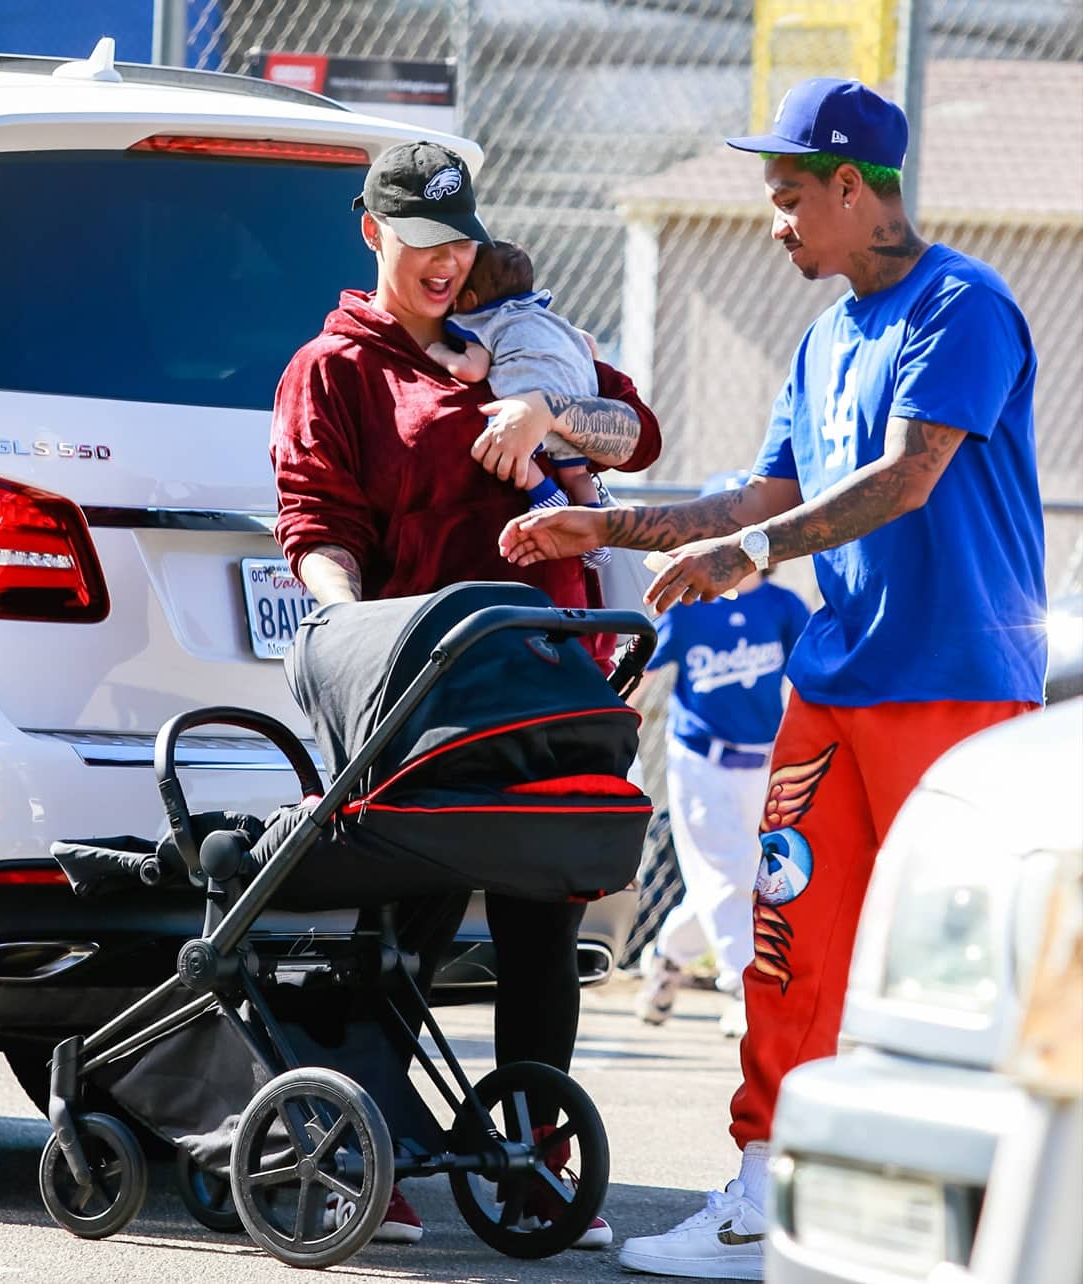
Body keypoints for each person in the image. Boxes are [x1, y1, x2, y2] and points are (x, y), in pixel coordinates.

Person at [498, 77, 1046, 1279]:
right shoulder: (823, 336)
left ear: (855, 188)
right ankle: (763, 1190)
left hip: (954, 688)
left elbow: (907, 475)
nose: (777, 220)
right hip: (834, 686)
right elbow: (758, 499)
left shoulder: (965, 306)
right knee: (785, 931)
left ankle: (1002, 1215)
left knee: (958, 960)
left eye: (791, 196)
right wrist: (613, 531)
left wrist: (749, 553)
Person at [270, 138, 661, 1248]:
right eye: (423, 244)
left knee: (543, 929)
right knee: (408, 925)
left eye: (462, 243)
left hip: (547, 679)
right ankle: (362, 1160)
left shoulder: (520, 337)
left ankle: (534, 1165)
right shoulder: (336, 369)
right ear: (371, 232)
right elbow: (316, 524)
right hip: (429, 686)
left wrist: (550, 418)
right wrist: (350, 624)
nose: (446, 266)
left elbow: (637, 432)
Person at [633, 471, 809, 1040]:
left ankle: (666, 955)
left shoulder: (783, 606)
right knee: (731, 875)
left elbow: (809, 676)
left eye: (749, 531)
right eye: (729, 530)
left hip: (765, 763)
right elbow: (644, 670)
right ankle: (744, 988)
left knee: (733, 876)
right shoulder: (689, 607)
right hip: (700, 761)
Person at [427, 240, 611, 566]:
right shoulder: (543, 316)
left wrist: (439, 352)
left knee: (498, 438)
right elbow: (589, 344)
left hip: (531, 415)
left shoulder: (483, 321)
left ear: (468, 299)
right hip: (578, 407)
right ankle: (596, 528)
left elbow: (472, 369)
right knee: (578, 474)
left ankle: (543, 493)